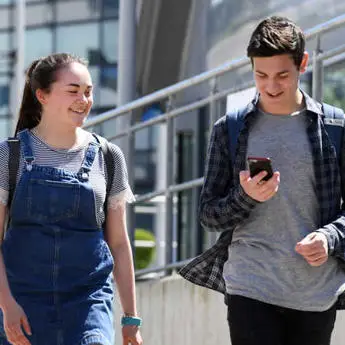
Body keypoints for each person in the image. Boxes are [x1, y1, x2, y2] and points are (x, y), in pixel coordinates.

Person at [179, 16, 345, 345]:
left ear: (304, 64)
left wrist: (329, 238)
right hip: (250, 285)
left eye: (282, 75)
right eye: (261, 75)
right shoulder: (230, 128)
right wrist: (246, 196)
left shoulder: (336, 128)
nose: (270, 86)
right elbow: (209, 215)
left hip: (315, 291)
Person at [0, 53, 143, 345]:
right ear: (42, 95)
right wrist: (7, 306)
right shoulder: (9, 156)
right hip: (23, 301)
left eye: (88, 92)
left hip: (87, 302)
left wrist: (131, 318)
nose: (84, 99)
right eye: (73, 91)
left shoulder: (109, 156)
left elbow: (118, 242)